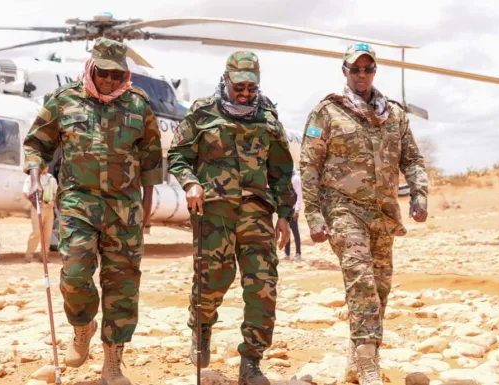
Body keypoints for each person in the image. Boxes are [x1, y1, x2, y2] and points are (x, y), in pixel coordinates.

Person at [22, 37, 163, 385]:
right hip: (78, 204)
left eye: (118, 75)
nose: (111, 81)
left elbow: (151, 159)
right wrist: (34, 175)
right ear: (91, 67)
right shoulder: (64, 100)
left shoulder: (138, 105)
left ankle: (113, 362)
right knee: (73, 275)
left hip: (125, 210)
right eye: (104, 73)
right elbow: (37, 143)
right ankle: (82, 327)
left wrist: (146, 206)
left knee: (122, 286)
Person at [299, 43, 429, 385]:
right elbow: (309, 165)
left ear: (375, 72)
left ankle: (358, 359)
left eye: (367, 69)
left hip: (383, 214)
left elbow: (412, 159)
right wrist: (313, 215)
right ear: (344, 71)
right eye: (355, 69)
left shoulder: (395, 115)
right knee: (362, 283)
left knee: (381, 288)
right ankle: (369, 363)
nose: (361, 75)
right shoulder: (327, 112)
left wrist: (419, 194)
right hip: (343, 210)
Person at [167, 51, 296, 385]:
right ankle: (201, 325)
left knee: (263, 288)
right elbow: (178, 156)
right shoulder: (202, 112)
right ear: (225, 79)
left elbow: (280, 170)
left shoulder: (268, 116)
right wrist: (191, 183)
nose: (245, 93)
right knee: (212, 283)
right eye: (239, 86)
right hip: (214, 214)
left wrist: (285, 213)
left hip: (256, 214)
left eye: (251, 87)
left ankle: (251, 362)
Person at [22, 165, 57, 262]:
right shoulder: (31, 178)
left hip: (49, 210)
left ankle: (44, 256)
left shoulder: (51, 179)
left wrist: (53, 201)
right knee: (37, 232)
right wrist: (35, 202)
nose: (46, 167)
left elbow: (55, 193)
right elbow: (25, 192)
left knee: (47, 234)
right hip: (37, 208)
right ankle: (29, 256)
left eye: (47, 165)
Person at [283, 165, 302, 261]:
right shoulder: (286, 178)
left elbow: (299, 195)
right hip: (286, 208)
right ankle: (287, 253)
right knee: (286, 230)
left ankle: (298, 253)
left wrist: (297, 210)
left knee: (295, 231)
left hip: (293, 209)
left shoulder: (295, 179)